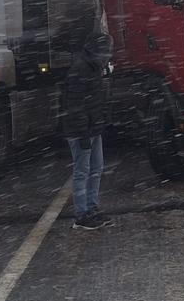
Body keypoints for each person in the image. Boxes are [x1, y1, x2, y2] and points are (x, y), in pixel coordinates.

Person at [62, 30, 113, 230]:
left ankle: (90, 208)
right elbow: (75, 104)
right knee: (84, 170)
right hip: (82, 130)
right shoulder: (83, 69)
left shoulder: (91, 66)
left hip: (91, 128)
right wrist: (83, 131)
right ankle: (82, 213)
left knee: (95, 169)